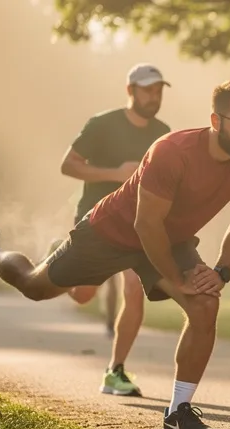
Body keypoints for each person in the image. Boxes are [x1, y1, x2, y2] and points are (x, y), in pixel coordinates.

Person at [0, 81, 230, 429]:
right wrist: (176, 277)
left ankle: (177, 415)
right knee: (34, 286)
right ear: (216, 120)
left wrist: (221, 271)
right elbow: (145, 224)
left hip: (170, 238)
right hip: (111, 232)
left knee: (204, 304)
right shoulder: (172, 151)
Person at [54, 63, 171, 397]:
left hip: (136, 224)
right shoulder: (102, 124)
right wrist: (115, 174)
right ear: (130, 90)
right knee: (83, 295)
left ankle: (114, 370)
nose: (154, 95)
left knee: (134, 287)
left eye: (159, 89)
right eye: (148, 89)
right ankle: (58, 255)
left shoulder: (163, 132)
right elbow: (68, 165)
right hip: (94, 219)